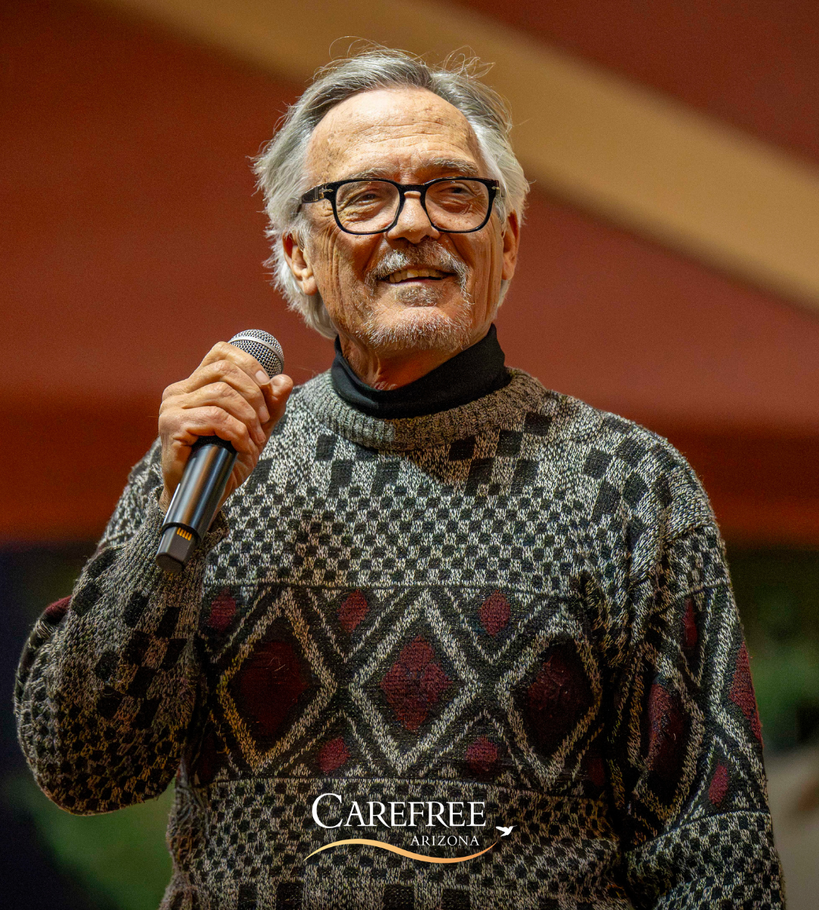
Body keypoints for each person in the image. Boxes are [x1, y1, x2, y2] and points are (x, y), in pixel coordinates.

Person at [15, 48, 784, 909]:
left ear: (506, 239)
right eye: (365, 197)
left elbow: (713, 848)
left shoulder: (626, 484)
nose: (414, 224)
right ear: (299, 256)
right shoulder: (209, 462)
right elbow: (84, 768)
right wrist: (170, 539)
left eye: (453, 192)